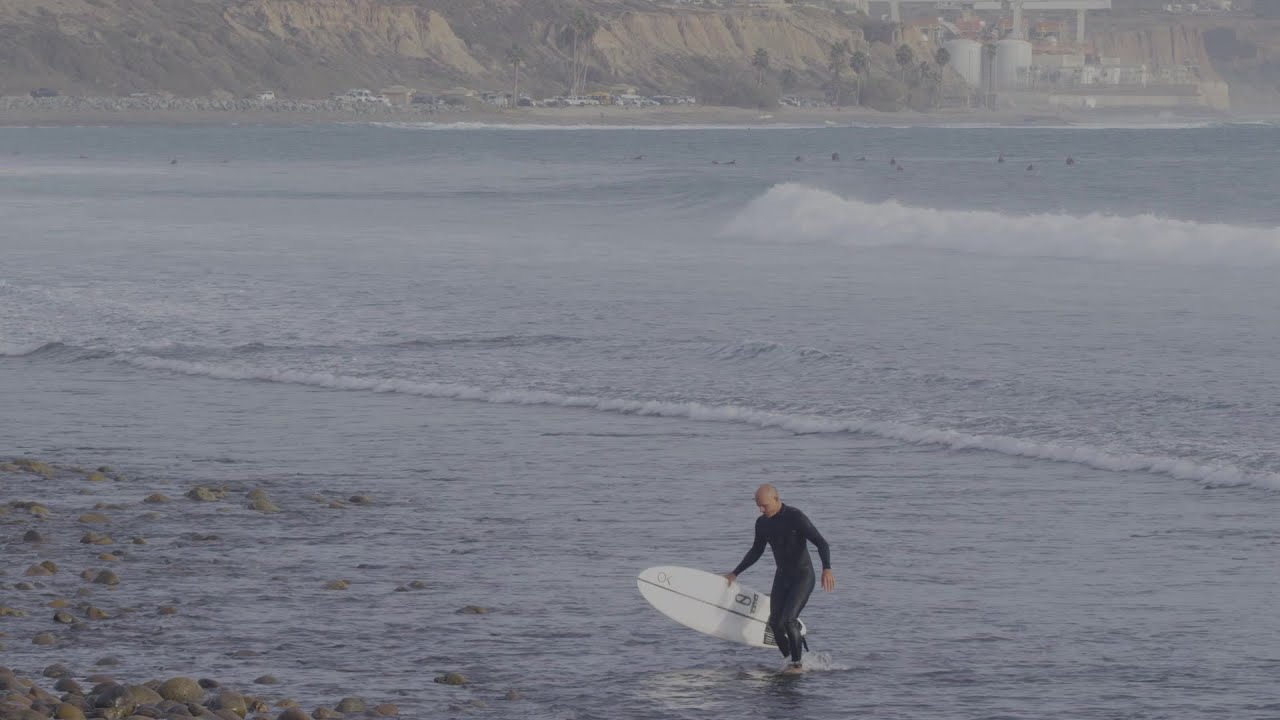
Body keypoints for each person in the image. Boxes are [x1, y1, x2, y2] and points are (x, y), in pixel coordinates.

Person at [724, 484, 834, 672]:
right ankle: (790, 660)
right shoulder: (762, 523)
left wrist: (827, 569)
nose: (761, 510)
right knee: (774, 624)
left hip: (802, 576)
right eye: (758, 506)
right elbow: (756, 551)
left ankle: (797, 665)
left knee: (789, 620)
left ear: (776, 499)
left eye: (764, 505)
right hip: (782, 577)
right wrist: (735, 572)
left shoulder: (795, 517)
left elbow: (821, 542)